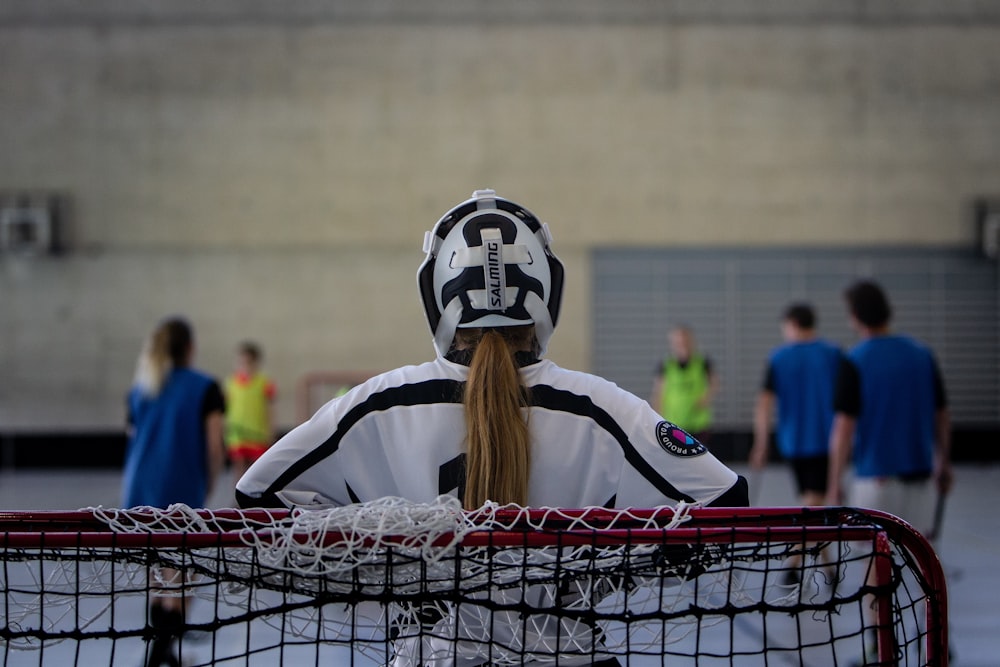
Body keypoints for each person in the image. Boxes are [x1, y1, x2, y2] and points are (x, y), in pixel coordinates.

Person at [236, 190, 748, 666]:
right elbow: (726, 504)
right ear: (548, 291)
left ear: (436, 296)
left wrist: (390, 573)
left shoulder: (376, 406)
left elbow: (259, 495)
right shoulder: (602, 409)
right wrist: (601, 575)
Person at [826, 280, 952, 666]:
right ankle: (939, 642)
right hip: (921, 477)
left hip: (875, 482)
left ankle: (877, 648)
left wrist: (834, 484)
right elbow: (941, 415)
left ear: (854, 316)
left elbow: (844, 429)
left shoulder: (855, 360)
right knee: (925, 566)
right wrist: (944, 461)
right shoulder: (921, 354)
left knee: (874, 570)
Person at [122, 316, 226, 667]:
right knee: (182, 576)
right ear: (190, 348)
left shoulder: (140, 388)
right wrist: (209, 482)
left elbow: (134, 438)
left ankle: (161, 649)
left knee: (155, 573)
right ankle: (163, 653)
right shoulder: (206, 387)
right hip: (182, 491)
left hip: (138, 491)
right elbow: (214, 446)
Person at [750, 303, 845, 508]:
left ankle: (807, 540)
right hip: (827, 438)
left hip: (794, 440)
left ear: (792, 324)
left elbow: (764, 404)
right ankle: (813, 539)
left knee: (812, 500)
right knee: (814, 499)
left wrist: (761, 444)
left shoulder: (778, 358)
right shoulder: (834, 354)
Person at [649, 325, 718, 442]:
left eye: (685, 342)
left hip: (698, 422)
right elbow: (658, 392)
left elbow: (714, 382)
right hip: (673, 422)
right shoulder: (666, 364)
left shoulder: (702, 362)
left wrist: (706, 398)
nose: (682, 345)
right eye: (678, 342)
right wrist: (656, 417)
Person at [224, 340, 276, 483]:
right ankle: (237, 497)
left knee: (256, 469)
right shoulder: (231, 383)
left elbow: (270, 409)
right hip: (237, 433)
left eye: (248, 362)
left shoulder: (264, 383)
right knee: (238, 468)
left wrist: (270, 431)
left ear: (256, 363)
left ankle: (253, 497)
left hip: (257, 433)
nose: (244, 366)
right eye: (241, 362)